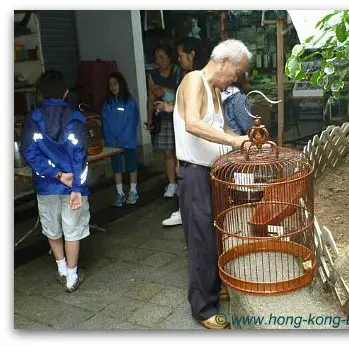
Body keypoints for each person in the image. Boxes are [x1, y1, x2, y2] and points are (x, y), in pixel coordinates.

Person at [173, 39, 252, 329]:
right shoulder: (194, 80)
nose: (235, 78)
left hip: (213, 173)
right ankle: (203, 308)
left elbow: (221, 130)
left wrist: (245, 143)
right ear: (223, 61)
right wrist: (233, 140)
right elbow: (193, 123)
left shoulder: (217, 92)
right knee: (201, 240)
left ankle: (214, 285)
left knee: (216, 234)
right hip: (194, 174)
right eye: (236, 71)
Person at [21, 70, 89, 293]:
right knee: (72, 230)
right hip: (72, 186)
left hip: (46, 184)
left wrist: (54, 174)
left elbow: (30, 153)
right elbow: (80, 155)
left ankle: (61, 268)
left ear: (40, 94)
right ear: (66, 93)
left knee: (52, 228)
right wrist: (76, 186)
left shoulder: (33, 119)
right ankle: (71, 275)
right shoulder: (76, 118)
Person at [159, 37, 207, 227]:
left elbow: (194, 118)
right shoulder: (191, 76)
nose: (179, 59)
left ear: (192, 54)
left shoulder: (195, 78)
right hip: (189, 143)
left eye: (181, 55)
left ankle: (186, 212)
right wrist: (170, 106)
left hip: (193, 144)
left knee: (191, 178)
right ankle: (186, 211)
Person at [146, 44, 184, 198]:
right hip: (163, 118)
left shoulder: (178, 71)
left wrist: (163, 91)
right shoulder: (153, 74)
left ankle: (182, 182)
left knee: (180, 152)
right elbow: (151, 98)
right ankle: (172, 183)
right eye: (156, 58)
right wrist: (149, 119)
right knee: (168, 153)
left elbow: (181, 94)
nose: (159, 61)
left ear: (170, 57)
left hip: (179, 115)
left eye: (162, 57)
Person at [101, 72, 140, 207]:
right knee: (116, 168)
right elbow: (105, 124)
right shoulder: (107, 104)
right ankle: (120, 193)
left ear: (121, 84)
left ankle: (133, 191)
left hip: (128, 142)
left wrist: (124, 138)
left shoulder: (130, 102)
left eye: (115, 84)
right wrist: (111, 140)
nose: (112, 87)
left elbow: (132, 122)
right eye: (110, 85)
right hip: (113, 144)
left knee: (131, 167)